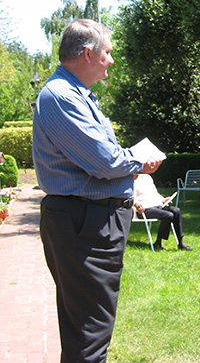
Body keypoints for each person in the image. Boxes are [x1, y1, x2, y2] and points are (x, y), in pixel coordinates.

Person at [32, 19, 163, 363]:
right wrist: (139, 158)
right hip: (85, 224)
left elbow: (100, 159)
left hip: (89, 221)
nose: (111, 60)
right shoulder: (61, 96)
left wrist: (128, 167)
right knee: (89, 334)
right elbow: (104, 160)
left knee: (88, 330)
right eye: (108, 52)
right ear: (88, 53)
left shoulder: (74, 95)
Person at [133, 173, 192, 250]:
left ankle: (180, 242)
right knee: (168, 215)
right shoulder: (129, 180)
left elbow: (154, 193)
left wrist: (163, 199)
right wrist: (136, 205)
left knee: (176, 211)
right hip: (143, 209)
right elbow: (129, 197)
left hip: (157, 205)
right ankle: (158, 242)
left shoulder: (147, 177)